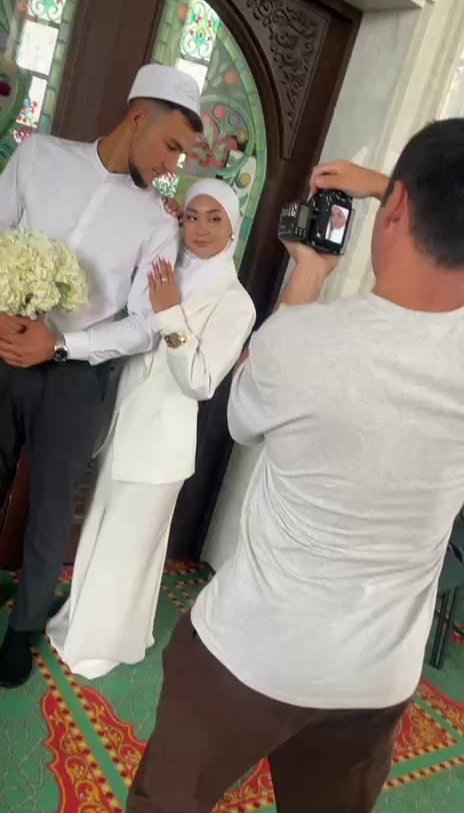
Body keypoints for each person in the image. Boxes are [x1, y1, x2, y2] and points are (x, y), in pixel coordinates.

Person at [126, 118, 464, 813]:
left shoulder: (303, 342)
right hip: (377, 678)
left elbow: (242, 419)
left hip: (252, 650)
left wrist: (308, 271)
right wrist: (389, 187)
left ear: (395, 209)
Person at [0, 63, 203, 689]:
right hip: (4, 347)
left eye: (181, 155)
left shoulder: (157, 223)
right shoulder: (39, 157)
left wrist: (62, 344)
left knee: (51, 508)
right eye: (171, 146)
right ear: (138, 117)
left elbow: (144, 324)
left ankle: (22, 629)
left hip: (75, 376)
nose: (172, 165)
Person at [46, 179, 255, 679]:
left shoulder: (236, 302)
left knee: (129, 549)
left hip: (162, 442)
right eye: (192, 216)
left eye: (214, 218)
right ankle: (84, 623)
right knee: (102, 532)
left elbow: (200, 382)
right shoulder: (167, 266)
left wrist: (170, 315)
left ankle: (101, 644)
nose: (200, 228)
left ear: (232, 228)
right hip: (122, 423)